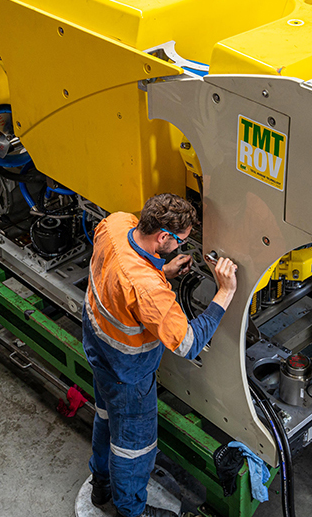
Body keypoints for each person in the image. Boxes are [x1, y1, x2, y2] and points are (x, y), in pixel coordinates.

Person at [83, 193, 237, 517]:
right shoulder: (148, 289)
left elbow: (120, 276)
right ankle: (131, 510)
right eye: (180, 241)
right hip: (129, 375)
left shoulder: (116, 223)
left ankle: (101, 485)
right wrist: (225, 292)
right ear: (163, 236)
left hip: (99, 350)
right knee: (132, 448)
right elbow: (189, 343)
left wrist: (162, 269)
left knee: (105, 419)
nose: (182, 246)